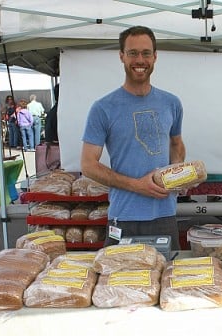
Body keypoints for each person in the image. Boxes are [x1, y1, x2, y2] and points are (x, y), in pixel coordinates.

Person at [81, 26, 185, 250]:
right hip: (123, 217)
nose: (140, 60)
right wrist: (137, 185)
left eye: (146, 53)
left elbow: (176, 144)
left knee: (166, 282)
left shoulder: (171, 103)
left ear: (155, 56)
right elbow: (88, 165)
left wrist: (177, 174)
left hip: (164, 215)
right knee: (118, 283)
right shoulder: (103, 108)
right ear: (121, 56)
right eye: (133, 53)